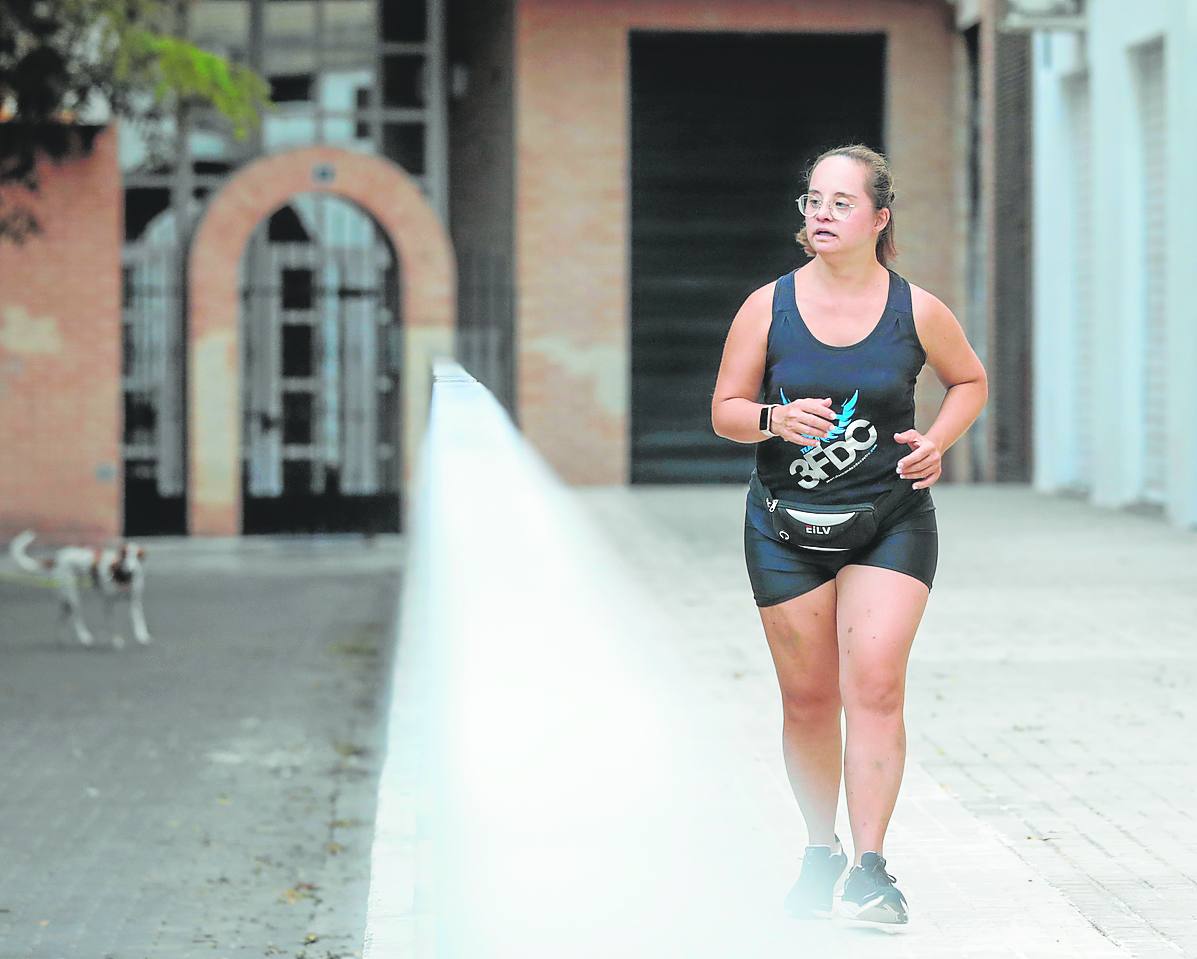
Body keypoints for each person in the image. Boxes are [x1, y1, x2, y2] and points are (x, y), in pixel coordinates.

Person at [710, 144, 988, 925]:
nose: (821, 214)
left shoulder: (916, 310)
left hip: (889, 521)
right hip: (783, 525)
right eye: (812, 201)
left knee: (872, 686)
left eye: (840, 202)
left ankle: (870, 869)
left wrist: (937, 439)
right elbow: (725, 408)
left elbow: (969, 379)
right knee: (807, 699)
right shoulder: (766, 307)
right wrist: (772, 417)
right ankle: (817, 849)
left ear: (878, 217)